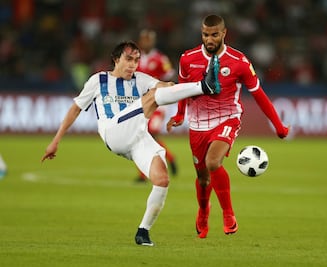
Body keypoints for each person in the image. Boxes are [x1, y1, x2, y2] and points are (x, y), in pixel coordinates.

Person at [41, 41, 221, 246]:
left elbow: (165, 87)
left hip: (136, 138)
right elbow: (75, 109)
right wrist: (55, 141)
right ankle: (204, 87)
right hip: (113, 132)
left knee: (162, 180)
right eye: (128, 59)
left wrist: (179, 85)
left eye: (136, 60)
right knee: (152, 97)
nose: (133, 65)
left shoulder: (141, 79)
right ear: (116, 59)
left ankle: (143, 232)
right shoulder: (98, 80)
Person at [167, 14, 289, 239]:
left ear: (224, 33)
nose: (209, 39)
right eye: (205, 35)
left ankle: (228, 214)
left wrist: (278, 125)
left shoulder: (239, 62)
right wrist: (180, 113)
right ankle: (203, 211)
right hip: (197, 123)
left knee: (213, 162)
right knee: (202, 178)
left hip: (227, 118)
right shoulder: (188, 59)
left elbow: (259, 95)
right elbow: (183, 88)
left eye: (214, 34)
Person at [135, 29, 177, 182]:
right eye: (144, 39)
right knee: (140, 136)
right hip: (140, 103)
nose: (146, 42)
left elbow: (169, 75)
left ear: (153, 41)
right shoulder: (135, 59)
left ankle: (168, 159)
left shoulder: (160, 59)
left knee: (149, 134)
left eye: (149, 39)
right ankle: (146, 171)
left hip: (158, 103)